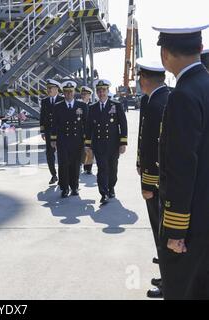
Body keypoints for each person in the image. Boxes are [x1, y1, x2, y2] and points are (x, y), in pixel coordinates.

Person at [153, 24, 209, 300]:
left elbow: (181, 167)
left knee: (184, 290)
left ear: (165, 55)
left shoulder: (182, 96)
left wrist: (175, 230)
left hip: (192, 224)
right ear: (200, 49)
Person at [135, 58, 170, 299]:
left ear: (145, 80)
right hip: (164, 178)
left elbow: (152, 145)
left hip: (157, 181)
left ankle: (168, 283)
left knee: (163, 232)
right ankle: (166, 275)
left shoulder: (156, 103)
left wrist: (147, 182)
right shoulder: (160, 98)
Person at [85, 79, 128, 205]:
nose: (101, 93)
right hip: (99, 144)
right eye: (99, 91)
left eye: (103, 90)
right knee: (102, 168)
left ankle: (111, 187)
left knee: (113, 169)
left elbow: (123, 124)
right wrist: (88, 145)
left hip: (113, 144)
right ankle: (103, 193)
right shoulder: (92, 108)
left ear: (107, 91)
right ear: (96, 93)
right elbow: (89, 128)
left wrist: (123, 143)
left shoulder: (116, 105)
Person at [51, 81, 88, 198]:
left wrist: (87, 141)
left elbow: (86, 124)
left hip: (77, 140)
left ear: (74, 92)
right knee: (63, 164)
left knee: (75, 164)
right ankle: (64, 188)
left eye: (70, 91)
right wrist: (53, 139)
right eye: (66, 92)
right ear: (63, 93)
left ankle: (74, 187)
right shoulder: (58, 106)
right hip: (63, 140)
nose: (68, 94)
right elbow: (54, 124)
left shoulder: (81, 106)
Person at [40, 79, 63, 185]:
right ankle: (54, 175)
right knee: (49, 154)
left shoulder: (62, 100)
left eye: (50, 88)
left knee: (62, 154)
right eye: (47, 88)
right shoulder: (44, 101)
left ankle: (62, 175)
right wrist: (42, 131)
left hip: (61, 132)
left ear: (56, 89)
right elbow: (42, 117)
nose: (48, 90)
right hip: (49, 132)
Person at [79, 86, 94, 175]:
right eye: (82, 94)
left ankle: (88, 168)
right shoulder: (78, 105)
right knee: (80, 149)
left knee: (89, 149)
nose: (84, 96)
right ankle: (81, 164)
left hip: (90, 131)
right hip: (80, 130)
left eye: (86, 94)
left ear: (89, 95)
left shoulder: (92, 106)